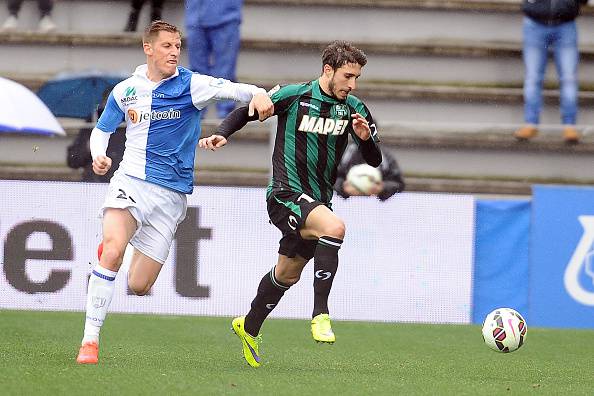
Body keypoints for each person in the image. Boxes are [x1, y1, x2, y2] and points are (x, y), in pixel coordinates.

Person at [75, 20, 273, 365]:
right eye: (166, 46)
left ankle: (117, 247)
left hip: (171, 196)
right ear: (148, 48)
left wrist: (258, 93)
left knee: (139, 285)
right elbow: (101, 131)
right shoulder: (125, 91)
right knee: (112, 252)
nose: (174, 52)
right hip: (131, 181)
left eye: (178, 46)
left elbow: (235, 90)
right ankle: (89, 341)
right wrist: (98, 155)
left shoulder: (192, 84)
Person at [199, 40, 382, 368]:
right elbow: (247, 111)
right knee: (335, 227)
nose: (352, 84)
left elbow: (375, 161)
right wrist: (223, 133)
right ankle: (321, 314)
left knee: (287, 274)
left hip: (318, 200)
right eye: (348, 76)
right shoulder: (296, 95)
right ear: (328, 70)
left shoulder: (354, 108)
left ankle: (249, 325)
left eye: (356, 78)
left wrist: (366, 138)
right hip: (285, 194)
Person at [514, 0, 589, 144]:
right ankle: (531, 123)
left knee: (568, 77)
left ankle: (570, 125)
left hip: (566, 24)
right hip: (534, 23)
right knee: (533, 77)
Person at [185, 0, 242, 119]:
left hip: (226, 16)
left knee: (225, 70)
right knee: (196, 70)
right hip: (195, 16)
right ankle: (197, 109)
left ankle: (226, 113)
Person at [334, 141, 405, 200]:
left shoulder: (385, 156)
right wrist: (342, 187)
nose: (364, 133)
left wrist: (382, 188)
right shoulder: (344, 154)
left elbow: (398, 183)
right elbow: (330, 178)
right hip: (346, 207)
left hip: (377, 208)